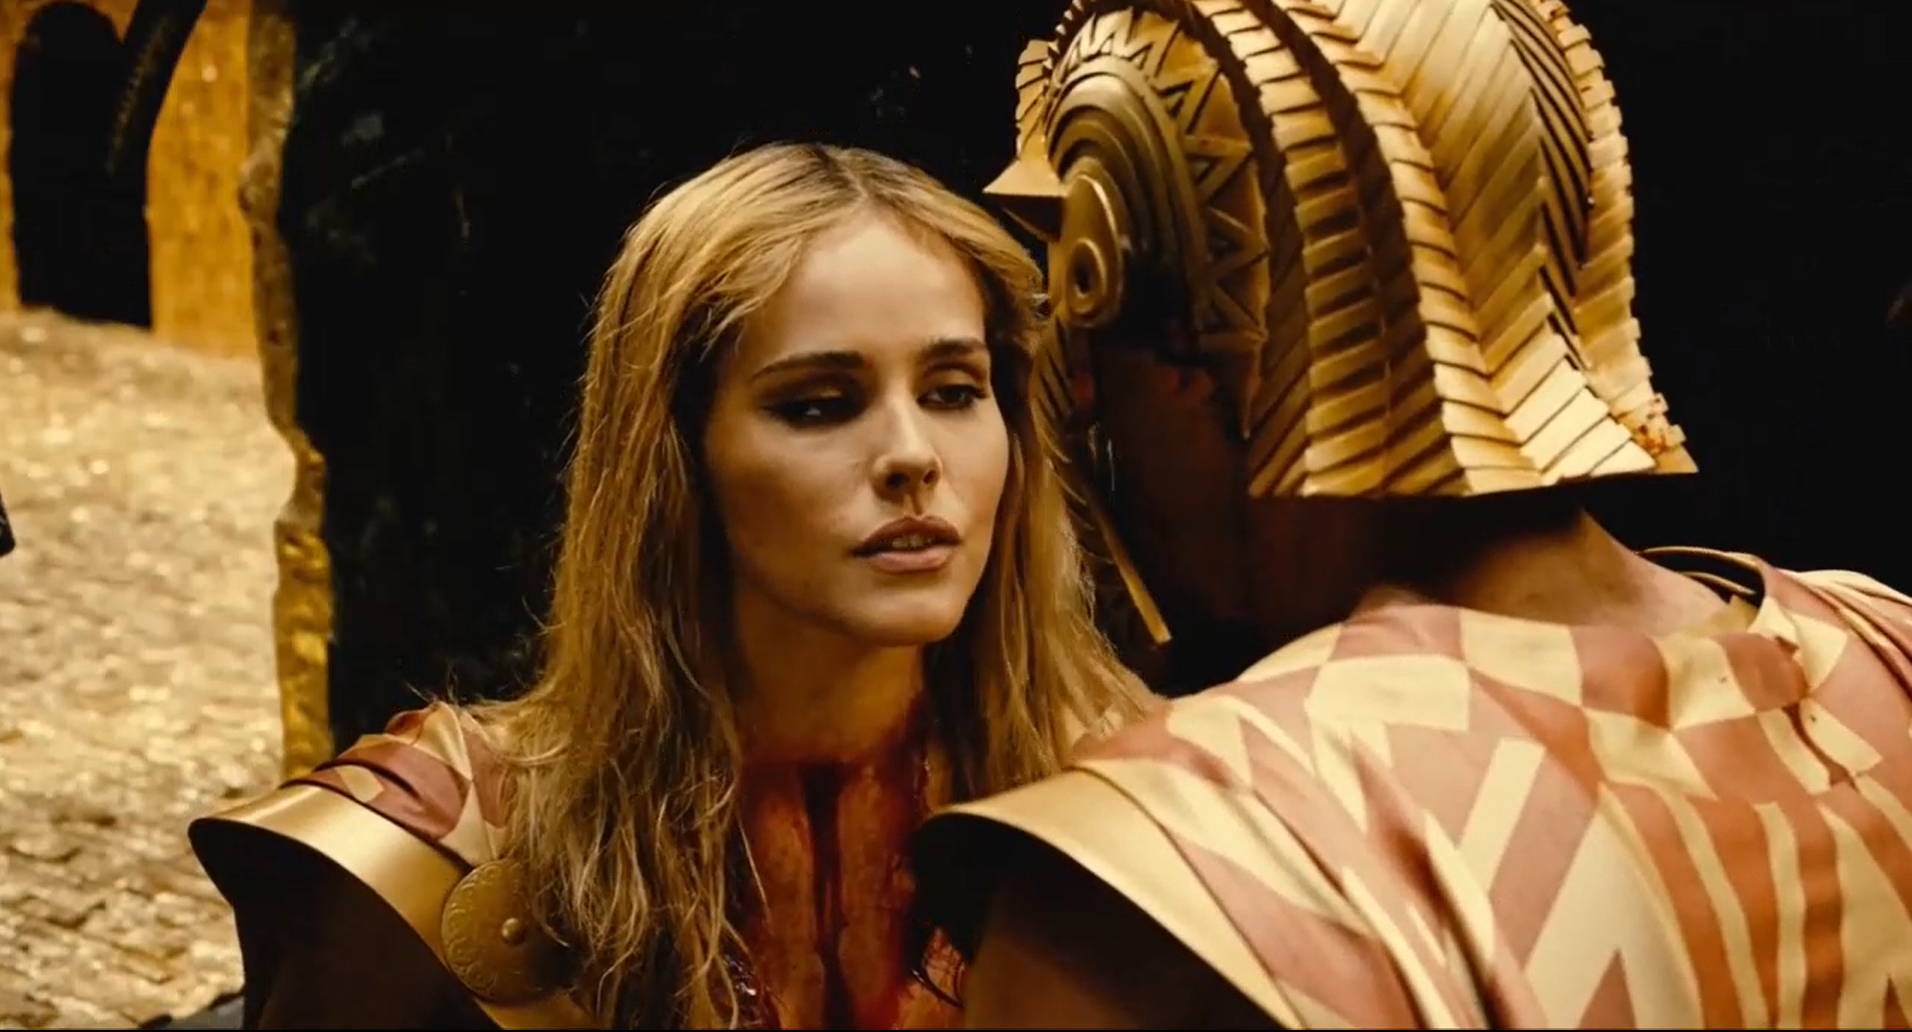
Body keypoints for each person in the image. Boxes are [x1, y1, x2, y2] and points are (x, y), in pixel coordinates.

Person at [910, 0, 1912, 1027]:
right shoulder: (1888, 647)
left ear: (1188, 348)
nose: (1082, 396)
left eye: (1090, 331)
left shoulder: (1169, 880)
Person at [190, 142, 1150, 1030]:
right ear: (679, 456)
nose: (913, 455)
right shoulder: (442, 845)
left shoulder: (1133, 804)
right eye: (819, 405)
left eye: (953, 392)